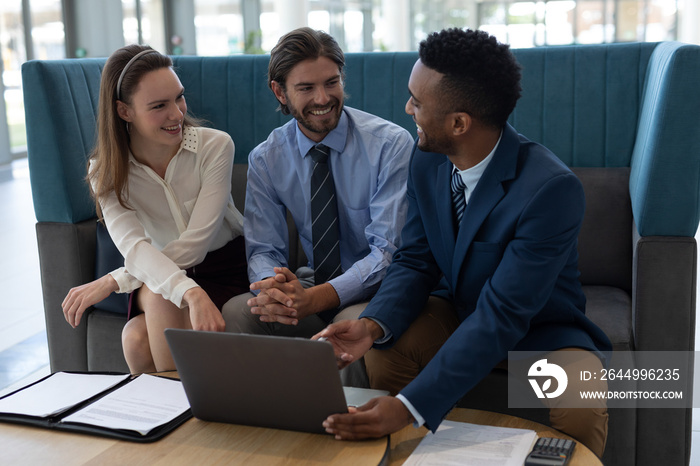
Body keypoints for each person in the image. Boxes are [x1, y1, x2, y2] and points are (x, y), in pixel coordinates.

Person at [316, 28, 612, 457]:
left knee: (580, 405)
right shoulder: (426, 158)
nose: (407, 108)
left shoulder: (551, 190)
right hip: (457, 313)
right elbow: (416, 259)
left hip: (541, 334)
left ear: (459, 123)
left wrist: (407, 407)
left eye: (417, 102)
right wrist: (372, 324)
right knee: (385, 347)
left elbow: (503, 313)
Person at [222, 27, 414, 351]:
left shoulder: (390, 146)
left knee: (343, 327)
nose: (323, 98)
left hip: (379, 288)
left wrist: (312, 299)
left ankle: (345, 405)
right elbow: (263, 250)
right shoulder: (267, 159)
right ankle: (267, 403)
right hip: (312, 283)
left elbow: (387, 254)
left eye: (331, 82)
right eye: (306, 88)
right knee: (238, 313)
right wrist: (276, 290)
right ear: (280, 92)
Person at [61, 45, 248, 374]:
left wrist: (112, 281)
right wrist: (190, 292)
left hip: (225, 267)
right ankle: (181, 421)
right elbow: (133, 247)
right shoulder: (104, 171)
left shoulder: (215, 146)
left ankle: (173, 421)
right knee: (157, 299)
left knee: (135, 336)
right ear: (124, 111)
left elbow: (196, 243)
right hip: (155, 273)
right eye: (159, 106)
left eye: (179, 97)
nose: (177, 114)